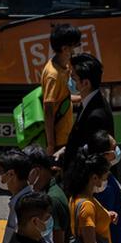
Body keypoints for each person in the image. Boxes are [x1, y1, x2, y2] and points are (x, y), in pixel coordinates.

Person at [62, 53, 115, 166]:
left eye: (73, 78)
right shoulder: (90, 100)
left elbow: (88, 156)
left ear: (85, 83)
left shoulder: (96, 117)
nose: (70, 82)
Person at [41, 24, 81, 155]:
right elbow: (48, 111)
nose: (77, 49)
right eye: (75, 45)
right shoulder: (53, 75)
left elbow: (63, 98)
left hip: (66, 134)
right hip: (59, 140)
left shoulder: (64, 67)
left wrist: (83, 98)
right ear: (65, 48)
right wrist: (51, 144)